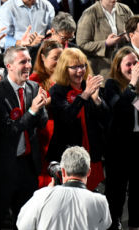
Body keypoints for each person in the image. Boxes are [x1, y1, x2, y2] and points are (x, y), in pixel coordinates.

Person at [0, 46, 48, 229]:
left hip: (28, 164)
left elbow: (42, 122)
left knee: (26, 219)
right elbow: (8, 131)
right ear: (9, 66)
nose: (28, 66)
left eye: (29, 61)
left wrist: (40, 109)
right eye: (23, 62)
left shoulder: (34, 87)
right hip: (5, 166)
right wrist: (33, 110)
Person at [47, 48, 108, 191]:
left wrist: (97, 100)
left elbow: (106, 118)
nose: (80, 70)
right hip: (68, 153)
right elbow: (66, 117)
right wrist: (85, 95)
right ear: (64, 68)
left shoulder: (90, 86)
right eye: (75, 67)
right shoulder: (57, 90)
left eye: (83, 66)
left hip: (91, 152)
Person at [16, 146, 112, 230]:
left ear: (63, 171)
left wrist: (48, 192)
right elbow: (104, 225)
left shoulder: (41, 196)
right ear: (89, 172)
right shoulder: (100, 201)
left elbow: (23, 225)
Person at [104, 47, 139, 230]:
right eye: (128, 64)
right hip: (118, 147)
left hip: (137, 144)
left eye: (135, 63)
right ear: (118, 67)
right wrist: (132, 84)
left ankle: (134, 225)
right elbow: (119, 109)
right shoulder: (111, 85)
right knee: (116, 191)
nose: (133, 67)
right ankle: (114, 223)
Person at [29, 39, 63, 187]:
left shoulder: (66, 76)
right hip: (45, 134)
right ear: (43, 58)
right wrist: (54, 97)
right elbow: (34, 108)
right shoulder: (34, 79)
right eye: (55, 58)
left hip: (64, 130)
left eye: (62, 58)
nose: (59, 62)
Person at [76, 0, 133, 77]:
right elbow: (82, 44)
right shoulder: (89, 14)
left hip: (125, 72)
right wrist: (106, 43)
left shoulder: (125, 9)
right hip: (102, 72)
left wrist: (130, 35)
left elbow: (135, 31)